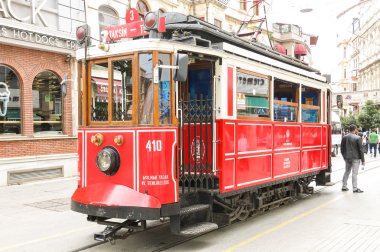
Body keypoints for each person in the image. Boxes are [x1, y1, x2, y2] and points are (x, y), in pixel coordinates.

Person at [341, 124, 365, 193]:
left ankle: (344, 186)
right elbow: (361, 150)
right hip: (356, 158)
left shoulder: (344, 137)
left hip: (347, 157)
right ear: (355, 129)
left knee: (347, 171)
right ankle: (355, 188)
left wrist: (344, 156)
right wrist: (363, 160)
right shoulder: (358, 138)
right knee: (354, 173)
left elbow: (342, 148)